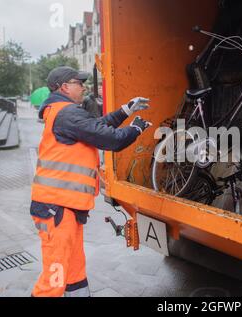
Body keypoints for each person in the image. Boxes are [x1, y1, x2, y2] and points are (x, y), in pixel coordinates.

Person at [30, 66, 152, 297]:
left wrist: (126, 111)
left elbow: (96, 126)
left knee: (74, 268)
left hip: (64, 207)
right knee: (54, 276)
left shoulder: (64, 112)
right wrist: (135, 129)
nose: (84, 87)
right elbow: (108, 138)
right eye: (79, 82)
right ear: (65, 87)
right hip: (56, 208)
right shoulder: (67, 113)